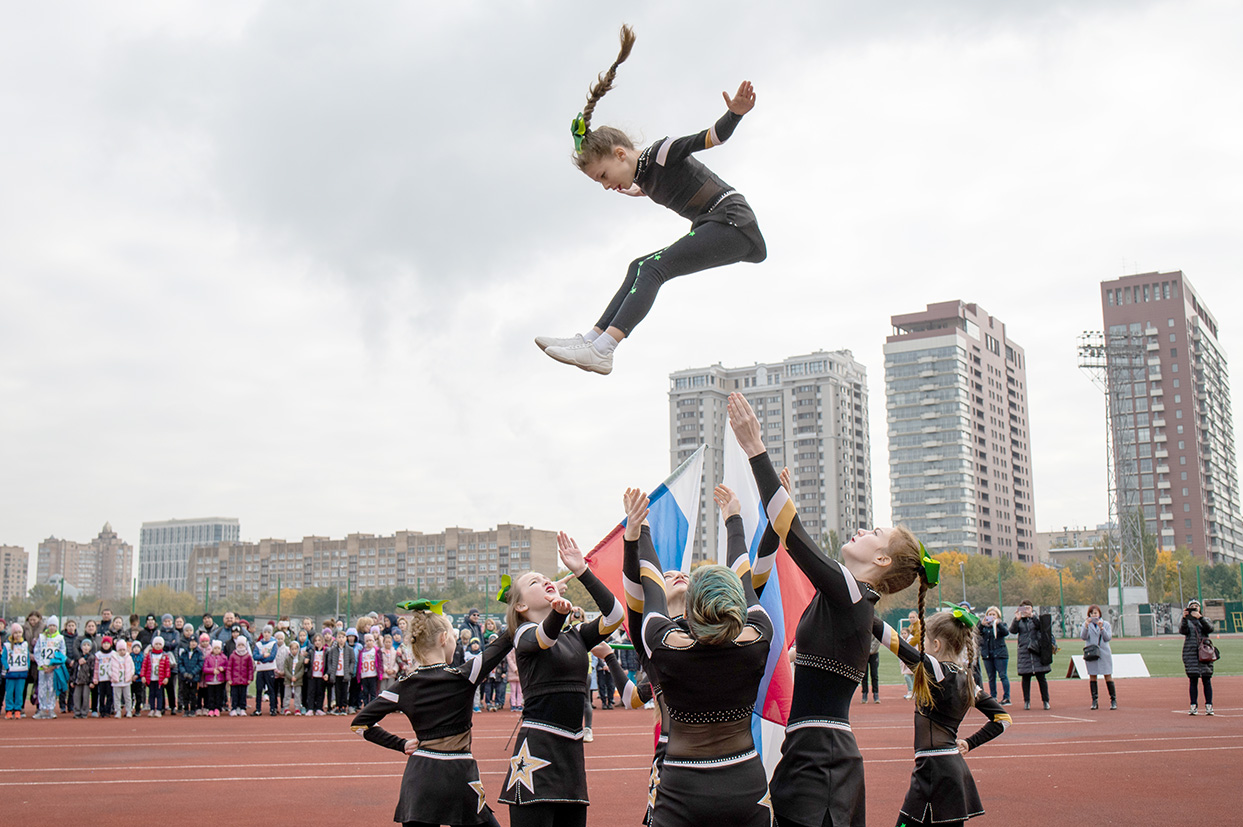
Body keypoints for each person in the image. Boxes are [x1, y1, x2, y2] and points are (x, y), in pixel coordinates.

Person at [728, 392, 923, 827]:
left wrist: (755, 447)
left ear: (882, 561)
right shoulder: (846, 603)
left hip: (824, 760)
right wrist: (765, 521)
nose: (861, 529)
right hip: (809, 753)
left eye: (874, 531)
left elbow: (793, 533)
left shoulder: (852, 595)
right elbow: (757, 582)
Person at [536, 26, 766, 376]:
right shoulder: (643, 175)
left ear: (619, 154)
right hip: (719, 226)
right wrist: (635, 189)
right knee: (637, 266)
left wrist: (735, 113)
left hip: (732, 222)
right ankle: (591, 339)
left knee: (653, 269)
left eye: (603, 176)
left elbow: (713, 137)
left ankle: (605, 348)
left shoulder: (662, 152)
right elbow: (658, 185)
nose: (605, 186)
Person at [628, 484, 775, 826]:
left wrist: (642, 529)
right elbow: (745, 577)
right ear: (737, 605)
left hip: (681, 786)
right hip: (746, 781)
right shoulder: (758, 637)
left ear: (690, 610)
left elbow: (650, 582)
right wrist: (733, 519)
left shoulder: (661, 643)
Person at [498, 530, 624, 827]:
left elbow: (615, 615)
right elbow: (543, 637)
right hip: (535, 758)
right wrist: (557, 613)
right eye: (534, 582)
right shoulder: (524, 634)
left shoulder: (577, 636)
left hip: (571, 759)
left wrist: (582, 571)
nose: (544, 580)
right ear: (520, 607)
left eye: (546, 578)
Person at [352, 603, 513, 827]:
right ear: (443, 638)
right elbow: (505, 641)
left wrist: (401, 744)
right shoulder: (463, 676)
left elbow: (360, 724)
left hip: (419, 781)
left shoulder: (403, 687)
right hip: (460, 777)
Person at [874, 604, 1012, 827]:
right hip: (953, 772)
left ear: (936, 645)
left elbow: (889, 638)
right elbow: (1003, 720)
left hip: (933, 771)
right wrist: (969, 743)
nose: (922, 647)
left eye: (925, 642)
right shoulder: (968, 681)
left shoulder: (936, 670)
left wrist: (859, 603)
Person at [1010, 601, 1051, 710]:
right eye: (1024, 608)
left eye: (1028, 608)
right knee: (1026, 677)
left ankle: (1046, 701)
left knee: (1041, 677)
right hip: (1024, 651)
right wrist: (1016, 619)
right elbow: (1012, 631)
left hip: (1037, 650)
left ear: (1032, 608)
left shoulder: (1036, 618)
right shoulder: (1020, 621)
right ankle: (1027, 701)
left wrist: (1032, 617)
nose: (1026, 611)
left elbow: (1042, 627)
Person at [1181, 599, 1215, 715]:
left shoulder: (1205, 620)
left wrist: (1200, 617)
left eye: (1196, 606)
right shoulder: (1187, 622)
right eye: (1192, 607)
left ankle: (1209, 705)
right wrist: (1184, 618)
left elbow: (1209, 628)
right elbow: (1183, 630)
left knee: (1206, 679)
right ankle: (1193, 705)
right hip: (1191, 653)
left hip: (1205, 652)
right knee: (1193, 680)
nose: (1194, 608)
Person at [1080, 605, 1116, 710]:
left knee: (1108, 675)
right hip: (1092, 653)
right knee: (1092, 676)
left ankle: (1113, 700)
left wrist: (1102, 628)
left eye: (1096, 613)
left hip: (1104, 653)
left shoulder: (1106, 624)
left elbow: (1107, 637)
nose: (1094, 615)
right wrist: (1086, 627)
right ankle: (1094, 701)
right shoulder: (1086, 625)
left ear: (1099, 614)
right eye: (1092, 613)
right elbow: (1083, 637)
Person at [35, 616, 66, 719]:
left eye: (54, 625)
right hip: (42, 668)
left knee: (51, 688)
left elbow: (62, 653)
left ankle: (51, 709)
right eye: (50, 625)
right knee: (42, 689)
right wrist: (41, 664)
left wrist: (54, 665)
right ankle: (42, 709)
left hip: (53, 668)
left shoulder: (60, 638)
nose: (52, 627)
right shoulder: (41, 637)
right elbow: (37, 651)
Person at [978, 607, 1010, 705]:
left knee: (1003, 675)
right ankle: (993, 696)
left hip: (1000, 654)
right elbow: (977, 634)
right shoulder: (984, 627)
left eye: (993, 615)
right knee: (991, 677)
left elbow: (1006, 632)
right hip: (988, 654)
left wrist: (998, 624)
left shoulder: (1001, 625)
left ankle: (1006, 697)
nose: (991, 617)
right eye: (990, 614)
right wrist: (981, 625)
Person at [3, 623, 30, 719]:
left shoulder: (25, 644)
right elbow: (3, 658)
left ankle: (18, 710)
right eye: (16, 633)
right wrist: (7, 667)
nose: (18, 635)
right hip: (11, 673)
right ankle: (9, 710)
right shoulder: (7, 645)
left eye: (20, 633)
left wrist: (27, 666)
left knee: (19, 693)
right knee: (9, 692)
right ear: (12, 634)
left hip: (21, 673)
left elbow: (27, 657)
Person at [142, 636, 173, 717]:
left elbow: (167, 668)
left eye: (160, 644)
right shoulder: (149, 655)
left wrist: (166, 677)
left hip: (160, 679)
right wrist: (143, 676)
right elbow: (144, 666)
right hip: (151, 678)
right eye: (156, 644)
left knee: (159, 695)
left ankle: (159, 709)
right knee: (151, 694)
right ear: (153, 645)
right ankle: (152, 709)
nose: (158, 645)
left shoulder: (164, 656)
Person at [177, 629, 204, 717]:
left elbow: (200, 664)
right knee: (185, 694)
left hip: (194, 678)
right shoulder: (184, 652)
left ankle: (193, 709)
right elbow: (180, 663)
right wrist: (184, 672)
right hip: (185, 677)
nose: (192, 644)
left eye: (194, 642)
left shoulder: (198, 653)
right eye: (191, 642)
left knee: (193, 694)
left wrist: (192, 673)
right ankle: (186, 710)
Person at [253, 625, 279, 716]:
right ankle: (258, 709)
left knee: (271, 689)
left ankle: (272, 708)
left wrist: (262, 660)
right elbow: (255, 656)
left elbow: (272, 656)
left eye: (268, 632)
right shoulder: (258, 644)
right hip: (260, 670)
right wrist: (263, 657)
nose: (266, 634)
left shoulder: (273, 643)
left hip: (270, 669)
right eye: (265, 632)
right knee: (259, 689)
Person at [227, 639, 255, 716]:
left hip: (244, 680)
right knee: (234, 695)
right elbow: (229, 668)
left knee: (243, 695)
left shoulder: (248, 656)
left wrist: (250, 678)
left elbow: (250, 668)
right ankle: (234, 708)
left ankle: (242, 708)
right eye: (239, 645)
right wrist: (229, 678)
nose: (241, 647)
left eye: (242, 645)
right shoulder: (232, 656)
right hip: (234, 680)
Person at [110, 636, 136, 718]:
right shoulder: (114, 658)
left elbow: (132, 668)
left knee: (128, 697)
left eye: (123, 649)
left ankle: (129, 710)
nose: (122, 651)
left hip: (126, 681)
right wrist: (113, 676)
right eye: (120, 650)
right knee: (117, 697)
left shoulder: (128, 658)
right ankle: (117, 711)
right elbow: (110, 669)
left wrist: (130, 675)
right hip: (116, 681)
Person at [202, 640, 228, 717]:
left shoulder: (224, 658)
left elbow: (227, 667)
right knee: (210, 695)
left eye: (218, 648)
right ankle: (211, 708)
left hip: (219, 680)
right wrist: (212, 671)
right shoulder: (208, 658)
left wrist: (223, 668)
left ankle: (217, 708)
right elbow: (205, 668)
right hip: (210, 681)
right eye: (215, 648)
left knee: (219, 695)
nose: (217, 650)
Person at [93, 636, 116, 718]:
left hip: (110, 678)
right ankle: (102, 710)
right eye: (104, 643)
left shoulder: (113, 654)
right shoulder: (98, 654)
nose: (106, 645)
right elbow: (96, 667)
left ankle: (108, 710)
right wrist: (95, 678)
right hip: (101, 678)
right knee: (101, 695)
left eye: (108, 643)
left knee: (110, 695)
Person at [72, 638, 95, 718]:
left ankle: (84, 712)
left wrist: (92, 681)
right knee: (76, 697)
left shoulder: (91, 658)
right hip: (78, 680)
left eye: (88, 645)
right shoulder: (78, 658)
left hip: (87, 681)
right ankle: (77, 712)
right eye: (84, 645)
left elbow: (92, 670)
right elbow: (74, 669)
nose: (86, 647)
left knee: (85, 697)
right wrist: (73, 680)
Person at [861, 635, 881, 704]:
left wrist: (869, 650)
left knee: (874, 675)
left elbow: (877, 640)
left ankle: (876, 694)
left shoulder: (875, 628)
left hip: (874, 654)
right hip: (863, 654)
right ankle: (864, 693)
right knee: (864, 675)